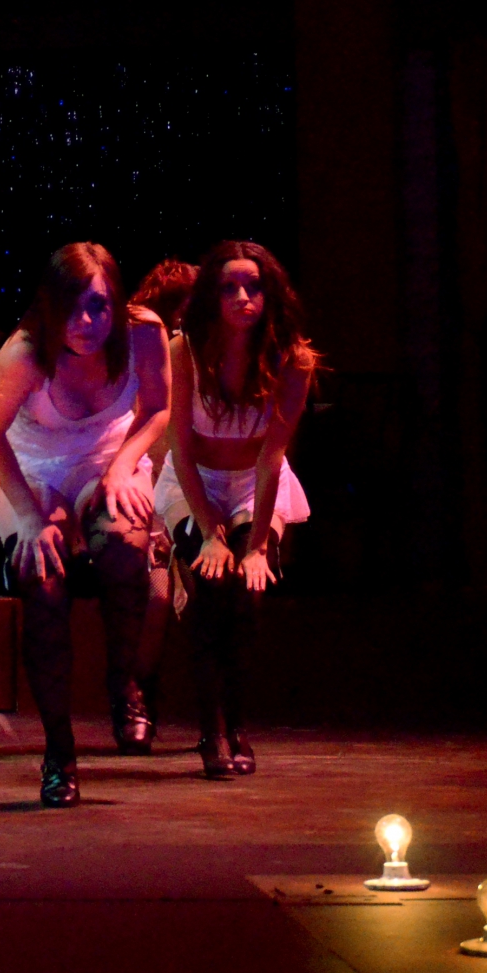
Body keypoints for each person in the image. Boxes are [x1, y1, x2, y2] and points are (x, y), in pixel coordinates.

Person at [0, 243, 170, 807]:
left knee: (125, 547)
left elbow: (158, 409)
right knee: (43, 579)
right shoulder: (25, 352)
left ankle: (124, 684)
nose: (86, 322)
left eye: (99, 306)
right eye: (73, 308)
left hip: (107, 455)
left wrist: (121, 466)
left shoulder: (143, 333)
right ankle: (58, 751)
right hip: (31, 466)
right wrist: (29, 516)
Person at [159, 240, 316, 779]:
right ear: (212, 295)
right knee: (210, 590)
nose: (243, 298)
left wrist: (256, 546)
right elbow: (180, 449)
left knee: (245, 597)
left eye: (253, 287)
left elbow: (272, 458)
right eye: (229, 288)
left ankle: (239, 726)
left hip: (253, 483)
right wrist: (209, 533)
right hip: (195, 480)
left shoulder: (292, 359)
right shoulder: (185, 350)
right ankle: (212, 732)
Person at [128, 257, 199, 725]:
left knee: (209, 593)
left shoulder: (204, 362)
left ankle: (215, 711)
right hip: (143, 504)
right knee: (156, 596)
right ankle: (137, 694)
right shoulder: (140, 368)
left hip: (191, 503)